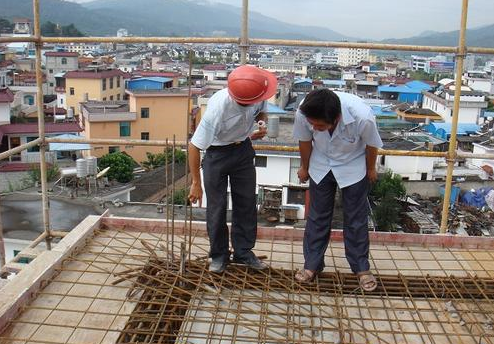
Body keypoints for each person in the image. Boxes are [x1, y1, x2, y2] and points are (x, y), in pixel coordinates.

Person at [188, 65, 278, 273]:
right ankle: (219, 255)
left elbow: (260, 110)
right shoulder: (218, 110)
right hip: (216, 155)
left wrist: (261, 123)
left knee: (246, 202)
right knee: (217, 207)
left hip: (243, 151)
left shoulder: (256, 92)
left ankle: (243, 252)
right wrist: (196, 182)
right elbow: (194, 146)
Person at [292, 89, 383, 292]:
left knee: (355, 218)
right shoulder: (303, 112)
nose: (315, 128)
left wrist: (370, 169)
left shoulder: (363, 117)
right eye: (313, 124)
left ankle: (361, 268)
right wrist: (305, 167)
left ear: (337, 118)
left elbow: (371, 145)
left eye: (320, 126)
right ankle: (312, 266)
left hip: (353, 165)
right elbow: (305, 141)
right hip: (321, 163)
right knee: (317, 216)